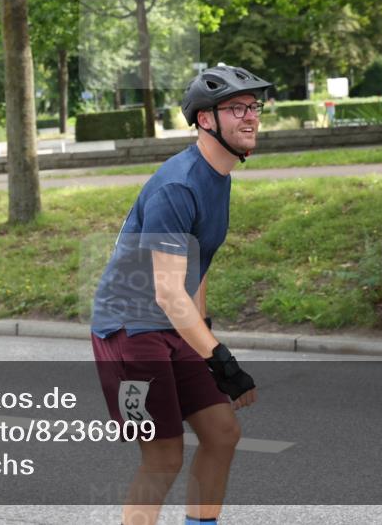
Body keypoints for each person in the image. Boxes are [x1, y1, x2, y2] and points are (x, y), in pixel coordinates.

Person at [91, 65, 270, 525]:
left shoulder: (217, 176)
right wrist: (220, 359)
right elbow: (169, 290)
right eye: (236, 108)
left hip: (174, 325)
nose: (250, 117)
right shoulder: (178, 185)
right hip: (129, 334)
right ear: (206, 120)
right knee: (163, 456)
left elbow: (196, 267)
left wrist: (204, 335)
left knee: (222, 433)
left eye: (254, 106)